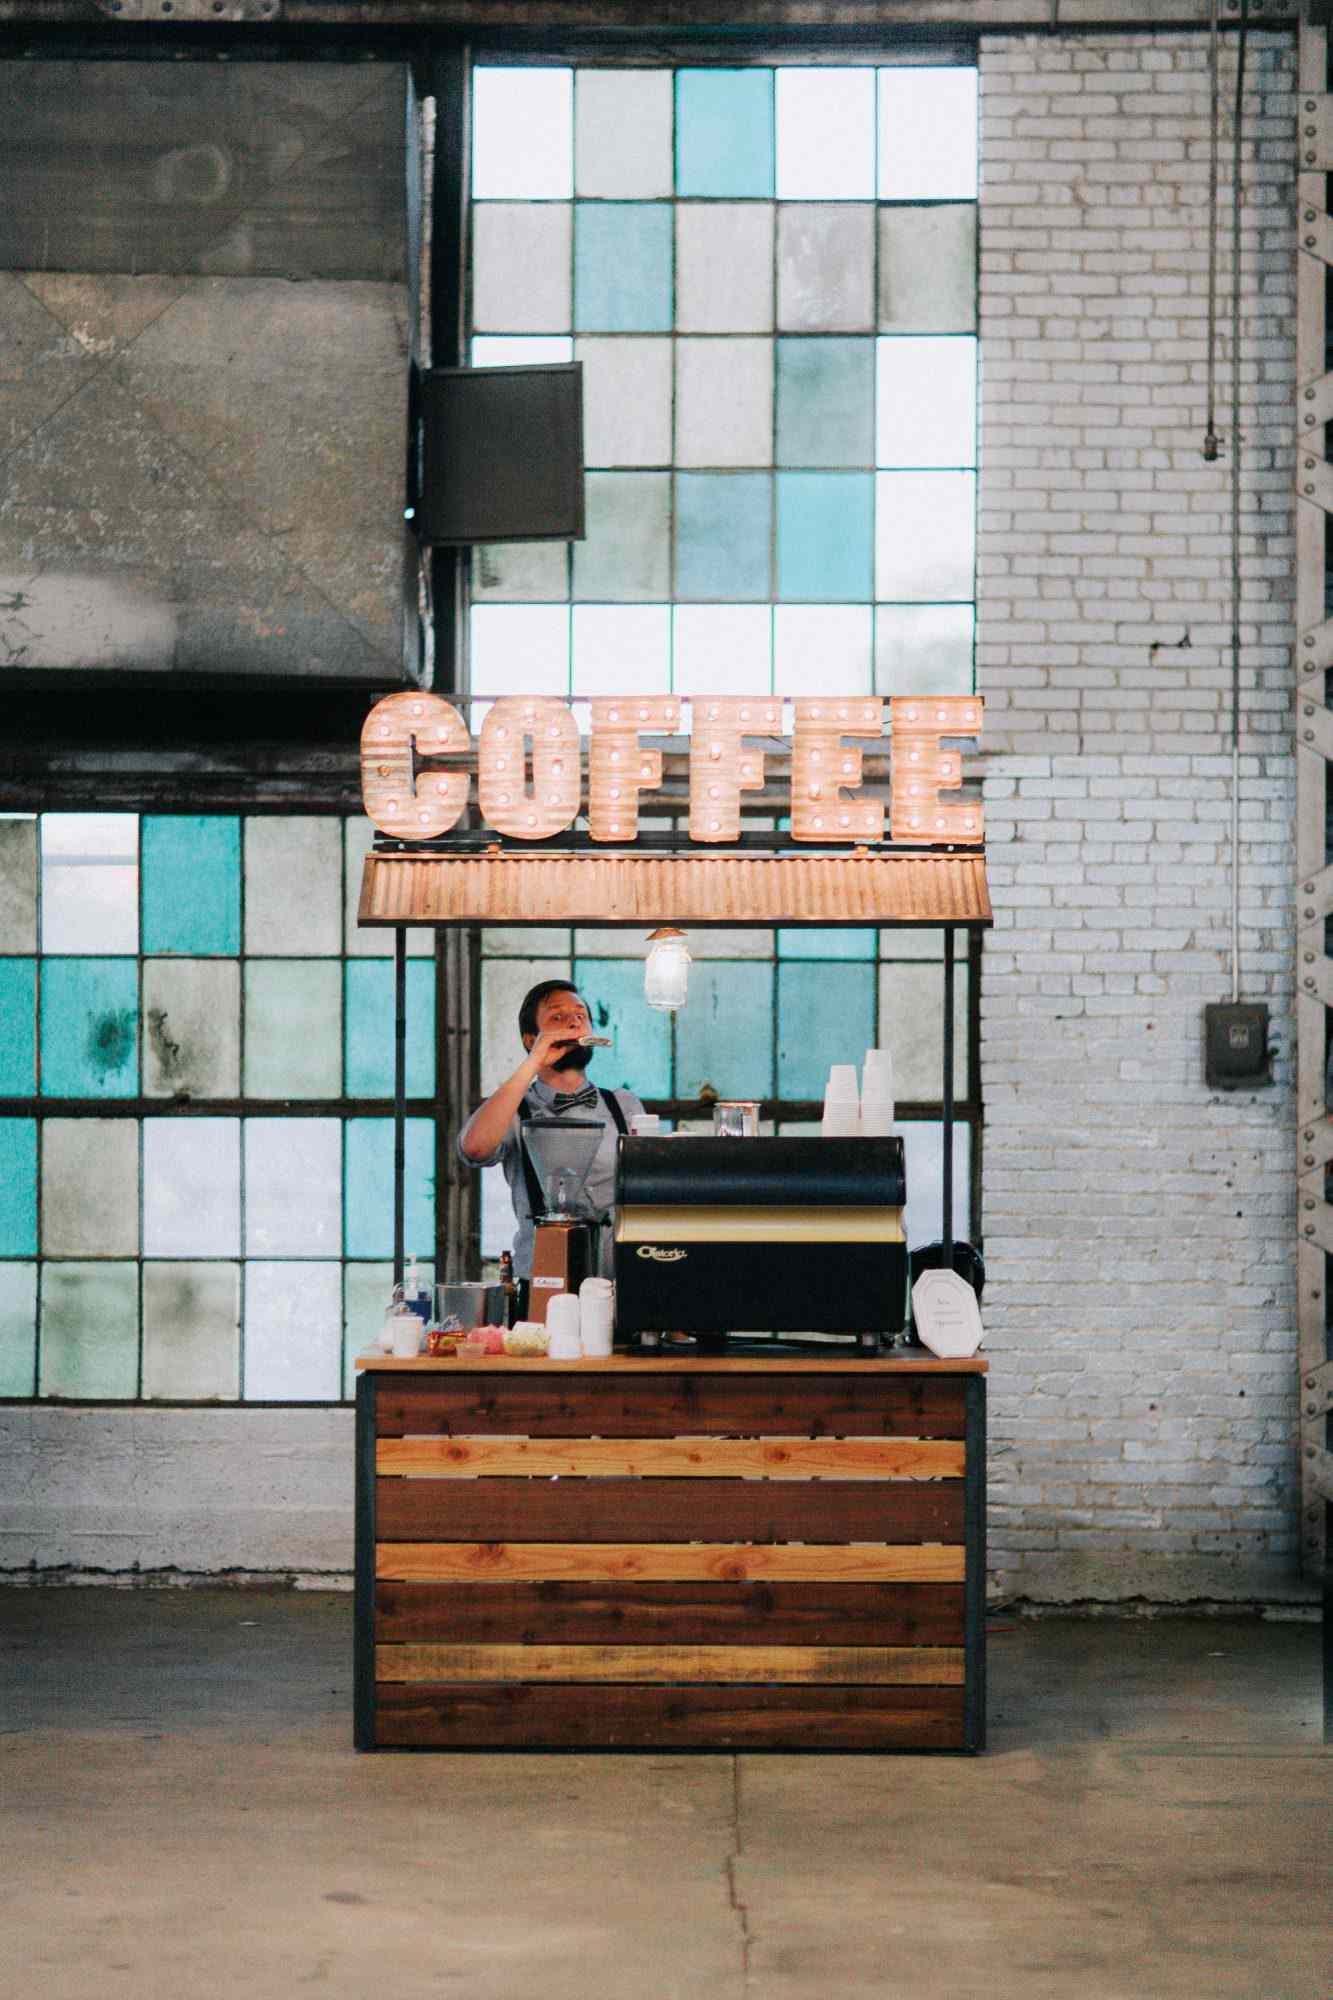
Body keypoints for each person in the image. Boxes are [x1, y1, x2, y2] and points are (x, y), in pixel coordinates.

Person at [457, 979, 644, 1294]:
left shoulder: (624, 1105)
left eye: (580, 1015)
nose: (573, 1022)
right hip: (543, 1279)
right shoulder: (513, 1109)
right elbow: (474, 1148)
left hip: (620, 1281)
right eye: (558, 1017)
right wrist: (533, 1064)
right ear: (531, 1039)